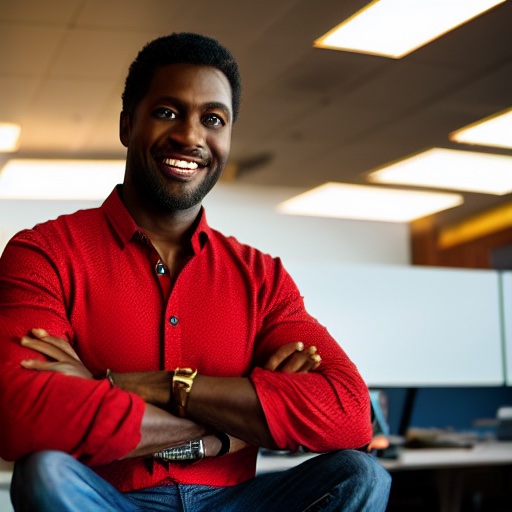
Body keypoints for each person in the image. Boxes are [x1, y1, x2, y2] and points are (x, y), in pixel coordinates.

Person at [0, 32, 391, 511]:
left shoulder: (262, 277)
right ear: (128, 125)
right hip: (109, 500)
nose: (190, 136)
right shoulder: (43, 252)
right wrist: (232, 429)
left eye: (213, 119)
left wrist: (126, 384)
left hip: (235, 502)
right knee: (43, 474)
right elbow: (17, 415)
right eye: (167, 112)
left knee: (361, 475)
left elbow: (348, 414)